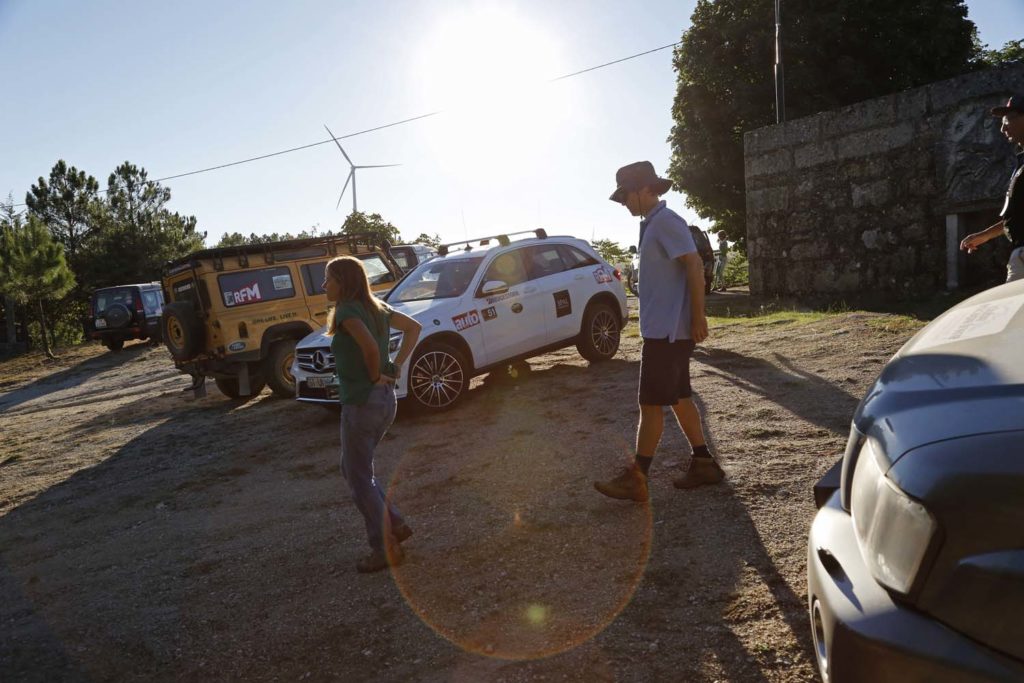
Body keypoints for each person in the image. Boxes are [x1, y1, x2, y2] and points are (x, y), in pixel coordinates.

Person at [594, 161, 724, 502]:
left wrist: (699, 316)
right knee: (679, 399)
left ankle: (636, 479)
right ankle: (704, 463)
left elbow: (694, 264)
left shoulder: (666, 222)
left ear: (644, 189)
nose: (624, 203)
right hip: (667, 330)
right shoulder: (653, 224)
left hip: (668, 332)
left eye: (625, 196)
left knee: (650, 404)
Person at [324, 256, 422, 573]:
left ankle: (385, 548)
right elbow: (414, 328)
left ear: (344, 281)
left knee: (358, 478)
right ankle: (395, 523)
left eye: (329, 279)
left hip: (363, 401)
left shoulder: (347, 311)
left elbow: (368, 347)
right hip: (384, 400)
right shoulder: (376, 306)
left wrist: (374, 373)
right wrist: (395, 368)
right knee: (357, 471)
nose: (325, 286)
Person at [960, 94, 1024, 283]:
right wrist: (984, 236)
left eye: (1009, 119)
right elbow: (1016, 217)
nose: (1003, 127)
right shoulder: (1020, 163)